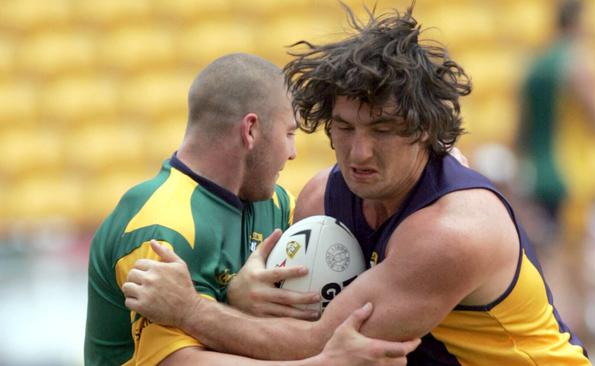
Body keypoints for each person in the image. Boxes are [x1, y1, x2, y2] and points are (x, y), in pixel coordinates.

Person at [123, 4, 592, 365]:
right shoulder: (320, 198)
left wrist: (190, 310)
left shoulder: (452, 234)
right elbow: (284, 323)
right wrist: (241, 293)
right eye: (344, 128)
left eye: (383, 130)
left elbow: (317, 344)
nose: (358, 152)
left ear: (424, 129)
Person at [84, 53, 420, 365]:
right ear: (251, 130)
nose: (292, 152)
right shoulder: (163, 227)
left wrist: (432, 164)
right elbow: (179, 360)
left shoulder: (276, 203)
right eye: (289, 133)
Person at [517, 0, 595, 341]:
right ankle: (586, 341)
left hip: (538, 173)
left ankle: (545, 334)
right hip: (571, 172)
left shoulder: (534, 65)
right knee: (577, 259)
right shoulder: (577, 61)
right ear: (578, 22)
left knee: (548, 257)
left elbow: (521, 129)